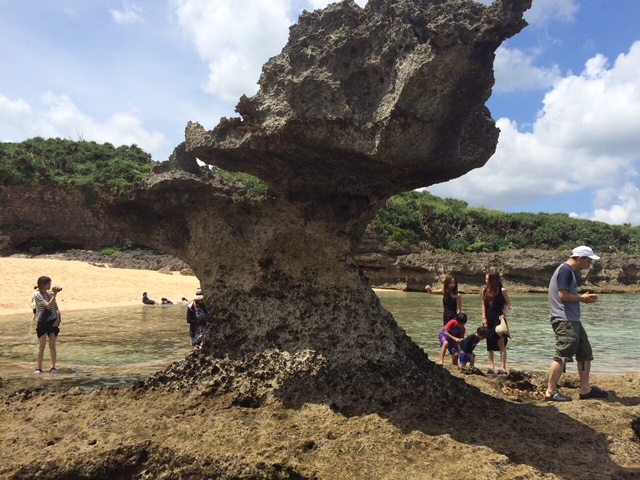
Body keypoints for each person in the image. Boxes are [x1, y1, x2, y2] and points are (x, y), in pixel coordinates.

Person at [544, 246, 608, 402]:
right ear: (580, 258)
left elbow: (565, 295)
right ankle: (550, 392)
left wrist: (582, 297)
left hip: (571, 319)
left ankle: (585, 390)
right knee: (562, 355)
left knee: (585, 352)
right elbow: (563, 296)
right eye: (588, 260)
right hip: (564, 320)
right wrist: (582, 299)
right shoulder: (565, 270)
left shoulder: (567, 271)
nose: (589, 264)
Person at [482, 272, 510, 374]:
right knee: (489, 344)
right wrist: (484, 318)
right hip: (489, 319)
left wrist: (504, 314)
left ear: (493, 279)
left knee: (501, 344)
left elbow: (508, 304)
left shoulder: (502, 291)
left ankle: (503, 367)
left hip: (499, 319)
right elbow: (484, 305)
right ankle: (491, 366)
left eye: (487, 279)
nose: (485, 280)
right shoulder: (485, 290)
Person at [33, 276, 62, 374]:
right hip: (42, 322)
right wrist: (55, 294)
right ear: (42, 285)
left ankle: (53, 367)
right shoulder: (37, 295)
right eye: (48, 283)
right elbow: (48, 305)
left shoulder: (50, 294)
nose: (50, 285)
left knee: (52, 345)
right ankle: (39, 368)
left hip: (52, 322)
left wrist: (57, 319)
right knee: (42, 346)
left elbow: (56, 308)